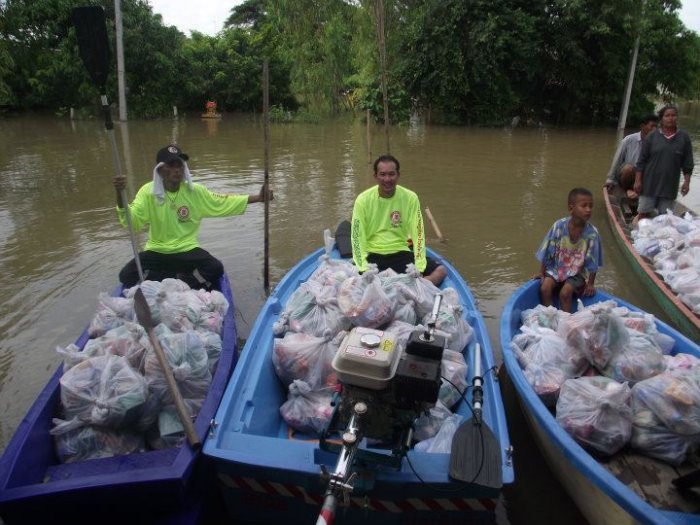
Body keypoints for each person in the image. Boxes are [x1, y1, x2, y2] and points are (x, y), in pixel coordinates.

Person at [113, 144, 272, 290]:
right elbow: (132, 222)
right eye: (171, 165)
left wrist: (258, 198)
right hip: (157, 250)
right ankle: (173, 279)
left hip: (186, 249)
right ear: (160, 170)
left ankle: (179, 285)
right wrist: (120, 196)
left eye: (179, 165)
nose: (177, 169)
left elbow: (223, 202)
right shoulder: (147, 192)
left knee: (215, 268)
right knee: (126, 275)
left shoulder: (195, 191)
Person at [350, 154, 447, 286]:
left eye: (392, 174)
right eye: (382, 174)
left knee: (440, 271)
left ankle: (416, 287)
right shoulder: (363, 200)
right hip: (372, 254)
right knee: (354, 282)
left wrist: (419, 266)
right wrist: (362, 268)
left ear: (398, 175)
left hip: (400, 252)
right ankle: (406, 287)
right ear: (375, 176)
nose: (387, 179)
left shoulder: (410, 198)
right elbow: (357, 237)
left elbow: (417, 233)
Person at [534, 188, 602, 313]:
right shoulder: (558, 226)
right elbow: (548, 251)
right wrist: (542, 272)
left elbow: (593, 260)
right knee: (545, 288)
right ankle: (551, 316)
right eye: (584, 206)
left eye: (591, 206)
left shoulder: (592, 233)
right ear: (571, 209)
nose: (588, 210)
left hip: (577, 273)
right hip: (557, 268)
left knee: (565, 293)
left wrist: (591, 283)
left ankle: (566, 322)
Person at [633, 104, 694, 222]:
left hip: (669, 187)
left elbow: (688, 164)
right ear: (661, 119)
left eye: (674, 115)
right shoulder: (652, 137)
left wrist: (686, 182)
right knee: (643, 215)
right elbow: (641, 161)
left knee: (665, 219)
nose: (671, 118)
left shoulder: (684, 138)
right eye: (667, 115)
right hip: (649, 185)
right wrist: (638, 181)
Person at [603, 113, 658, 199]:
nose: (654, 130)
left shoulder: (657, 143)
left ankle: (642, 192)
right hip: (628, 177)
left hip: (644, 178)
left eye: (656, 127)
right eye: (652, 126)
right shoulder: (629, 140)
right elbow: (617, 160)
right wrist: (610, 179)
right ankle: (627, 190)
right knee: (628, 168)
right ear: (643, 126)